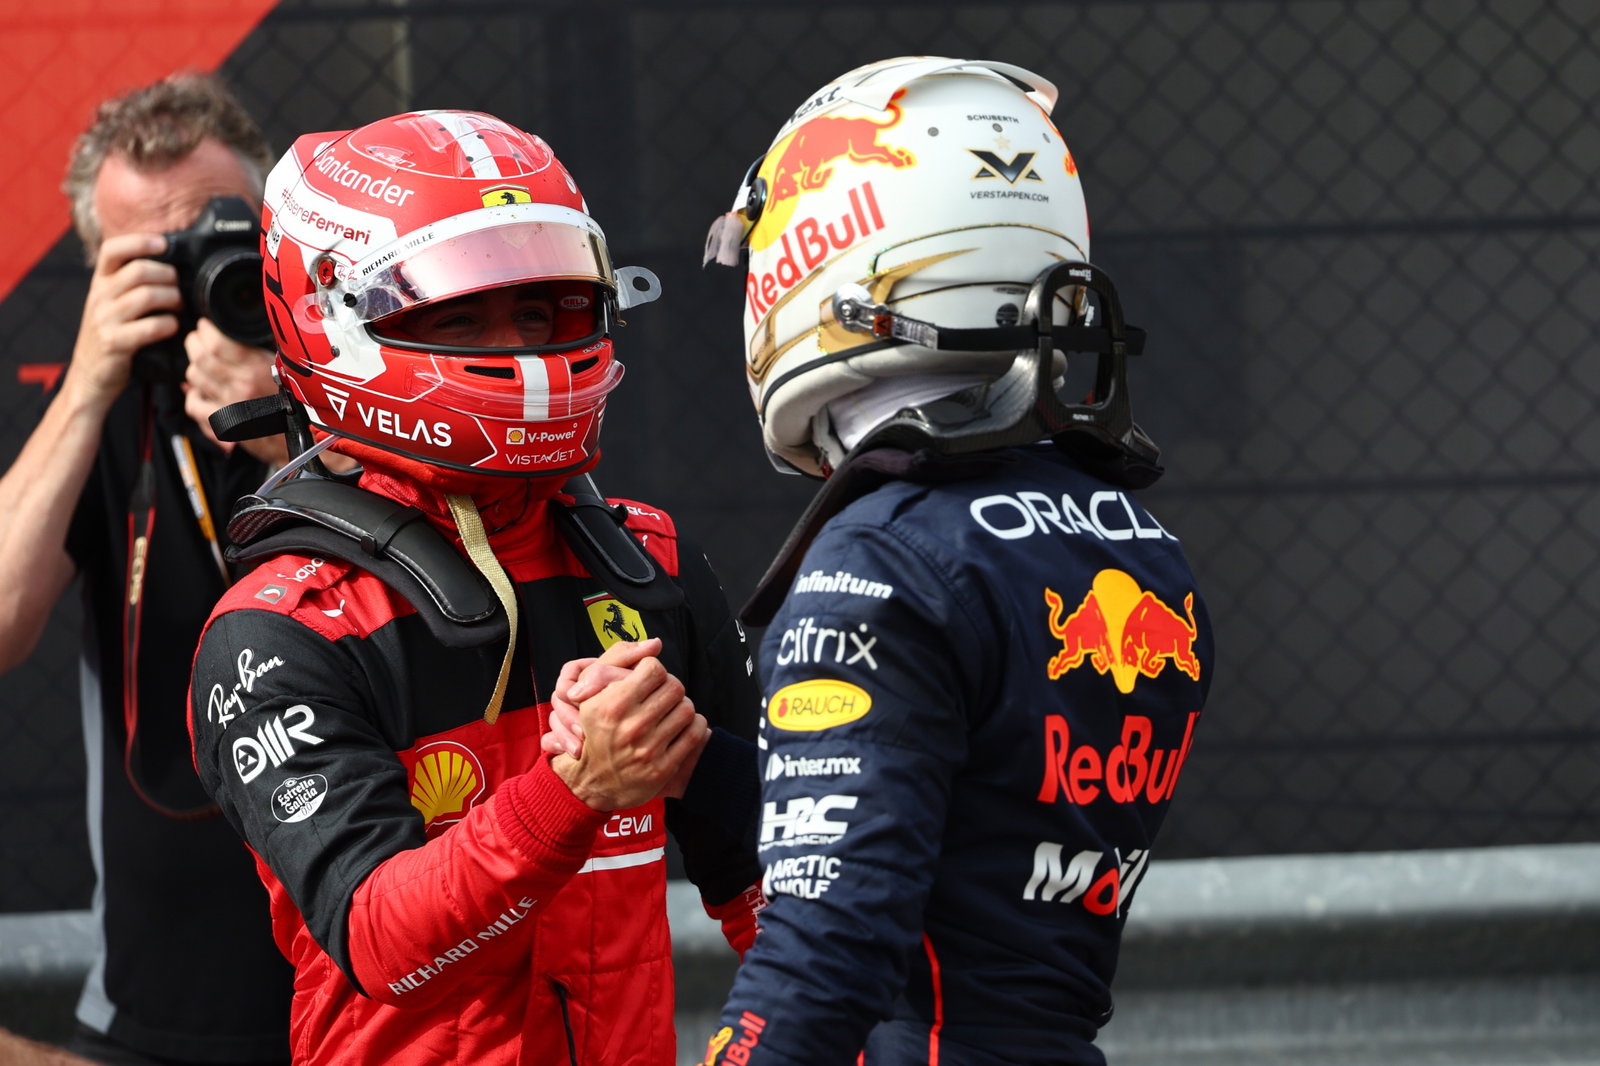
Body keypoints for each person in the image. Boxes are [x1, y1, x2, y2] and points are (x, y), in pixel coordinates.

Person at [185, 109, 762, 1066]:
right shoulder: (278, 634)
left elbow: (770, 891)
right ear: (335, 320)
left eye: (538, 312)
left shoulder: (649, 563)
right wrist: (572, 794)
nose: (521, 351)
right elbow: (381, 942)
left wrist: (782, 1042)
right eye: (459, 315)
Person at [691, 56, 1215, 1064]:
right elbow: (966, 811)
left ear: (818, 247)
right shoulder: (1135, 538)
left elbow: (826, 956)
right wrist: (709, 774)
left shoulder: (880, 557)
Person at [0, 72, 296, 1065]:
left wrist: (288, 427)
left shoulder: (355, 394)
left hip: (366, 1001)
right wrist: (88, 383)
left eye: (224, 242)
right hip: (151, 1012)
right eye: (156, 258)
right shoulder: (104, 416)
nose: (199, 277)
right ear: (96, 268)